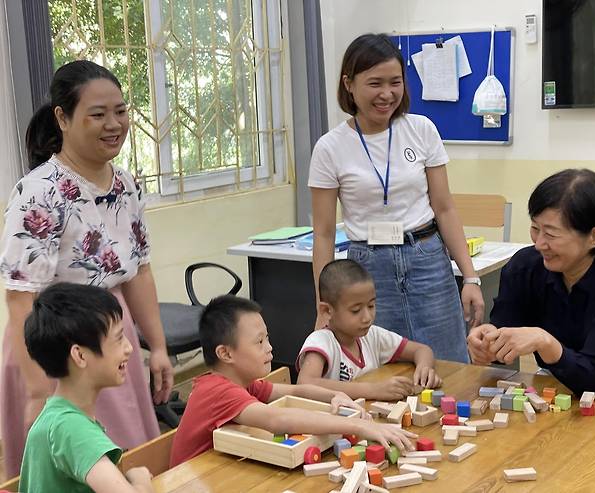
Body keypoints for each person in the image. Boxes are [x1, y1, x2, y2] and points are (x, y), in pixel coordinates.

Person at [0, 60, 173, 477]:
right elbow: (21, 299)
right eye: (97, 114)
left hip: (111, 336)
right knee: (67, 468)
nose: (113, 124)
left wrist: (159, 348)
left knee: (126, 460)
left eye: (121, 111)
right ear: (62, 117)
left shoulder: (126, 184)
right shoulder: (39, 192)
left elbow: (139, 273)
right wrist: (42, 391)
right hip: (54, 348)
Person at [309, 33, 483, 363]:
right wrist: (324, 304)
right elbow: (324, 234)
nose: (387, 94)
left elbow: (444, 208)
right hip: (366, 271)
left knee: (450, 365)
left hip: (427, 260)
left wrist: (470, 277)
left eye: (395, 82)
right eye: (375, 83)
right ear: (349, 83)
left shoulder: (421, 129)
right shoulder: (330, 147)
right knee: (379, 371)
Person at [467, 169, 595, 394]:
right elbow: (506, 331)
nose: (539, 244)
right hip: (556, 382)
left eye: (551, 234)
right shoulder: (525, 266)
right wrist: (489, 343)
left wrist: (545, 342)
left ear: (594, 236)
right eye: (535, 228)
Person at [169, 295, 416, 467]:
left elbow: (298, 390)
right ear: (226, 354)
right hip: (194, 480)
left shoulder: (242, 381)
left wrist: (334, 396)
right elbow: (277, 420)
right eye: (259, 342)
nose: (269, 347)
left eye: (267, 338)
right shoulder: (218, 391)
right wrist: (360, 427)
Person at [19, 283, 154, 492]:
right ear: (80, 355)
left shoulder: (57, 417)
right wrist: (140, 479)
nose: (129, 348)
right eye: (119, 339)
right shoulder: (71, 428)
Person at [296, 259, 441, 400]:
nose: (367, 317)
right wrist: (373, 390)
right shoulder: (321, 341)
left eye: (371, 306)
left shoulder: (372, 335)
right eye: (356, 310)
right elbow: (305, 383)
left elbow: (421, 350)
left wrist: (425, 368)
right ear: (327, 311)